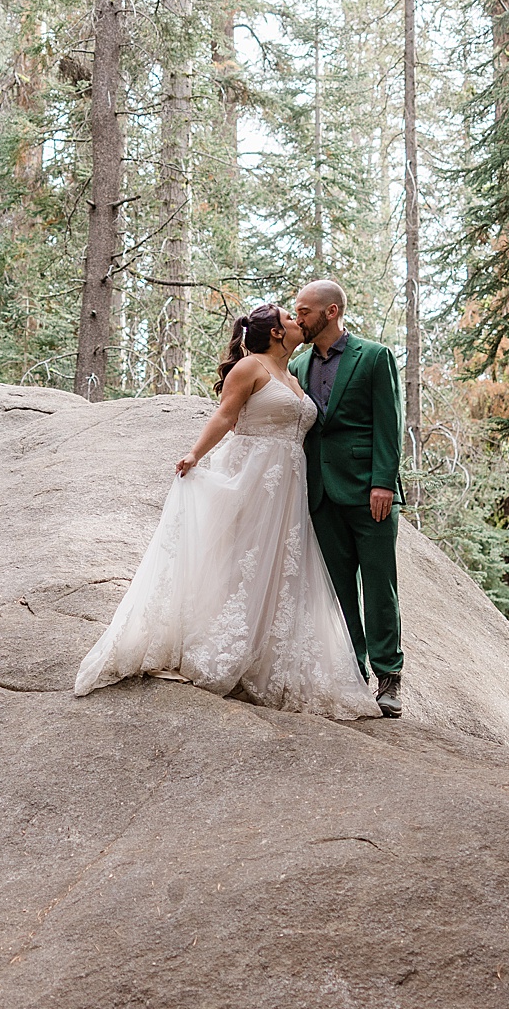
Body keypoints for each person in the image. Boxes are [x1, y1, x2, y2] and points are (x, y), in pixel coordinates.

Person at [73, 304, 380, 720]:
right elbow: (225, 415)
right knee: (244, 561)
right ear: (275, 332)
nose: (298, 322)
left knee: (280, 568)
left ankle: (271, 654)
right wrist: (194, 454)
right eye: (291, 318)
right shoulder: (248, 368)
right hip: (252, 477)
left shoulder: (293, 375)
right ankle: (228, 647)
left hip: (288, 487)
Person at [288, 279, 405, 717]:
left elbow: (388, 424)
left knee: (379, 586)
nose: (298, 317)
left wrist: (383, 484)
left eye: (304, 310)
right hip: (320, 492)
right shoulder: (298, 365)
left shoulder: (374, 357)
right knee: (337, 590)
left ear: (331, 312)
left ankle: (389, 677)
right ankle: (353, 672)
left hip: (367, 491)